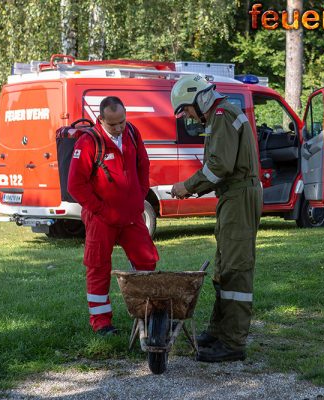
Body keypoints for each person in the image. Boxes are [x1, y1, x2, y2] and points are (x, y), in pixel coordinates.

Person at [170, 74, 262, 362]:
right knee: (223, 267)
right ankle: (218, 331)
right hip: (231, 196)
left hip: (238, 196)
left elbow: (218, 167)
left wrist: (187, 186)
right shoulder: (220, 116)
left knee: (235, 268)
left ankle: (232, 343)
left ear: (199, 98)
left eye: (186, 108)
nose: (186, 115)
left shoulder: (221, 115)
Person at [68, 96, 159, 335]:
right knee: (98, 267)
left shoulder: (131, 132)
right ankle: (101, 324)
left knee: (147, 261)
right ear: (101, 120)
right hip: (101, 218)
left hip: (132, 215)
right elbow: (75, 185)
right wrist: (101, 210)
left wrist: (139, 196)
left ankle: (148, 314)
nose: (119, 128)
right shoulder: (88, 143)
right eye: (113, 124)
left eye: (122, 121)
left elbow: (143, 165)